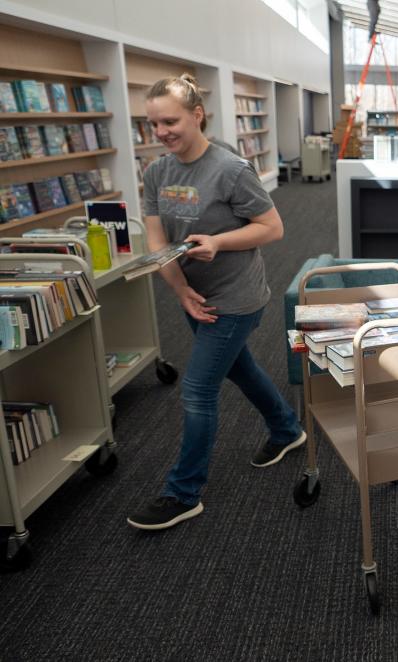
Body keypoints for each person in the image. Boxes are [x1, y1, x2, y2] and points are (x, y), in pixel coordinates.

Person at [127, 74, 305, 531]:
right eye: (153, 124)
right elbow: (155, 236)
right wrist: (179, 289)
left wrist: (220, 242)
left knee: (198, 389)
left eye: (170, 121)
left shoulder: (230, 169)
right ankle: (287, 429)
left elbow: (273, 228)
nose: (161, 132)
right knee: (238, 368)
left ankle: (183, 493)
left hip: (237, 297)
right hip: (194, 295)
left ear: (196, 115)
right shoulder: (156, 172)